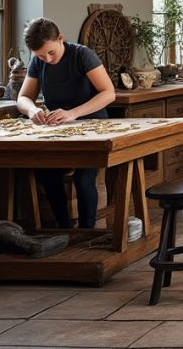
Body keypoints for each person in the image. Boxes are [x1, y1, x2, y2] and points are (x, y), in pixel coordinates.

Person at [16, 18, 116, 229]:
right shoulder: (38, 61)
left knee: (83, 179)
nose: (47, 58)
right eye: (40, 55)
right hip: (59, 130)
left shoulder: (82, 54)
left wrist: (73, 113)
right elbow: (23, 98)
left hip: (93, 126)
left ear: (60, 39)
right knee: (47, 173)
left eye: (50, 52)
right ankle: (64, 228)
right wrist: (32, 110)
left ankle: (87, 232)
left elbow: (109, 93)